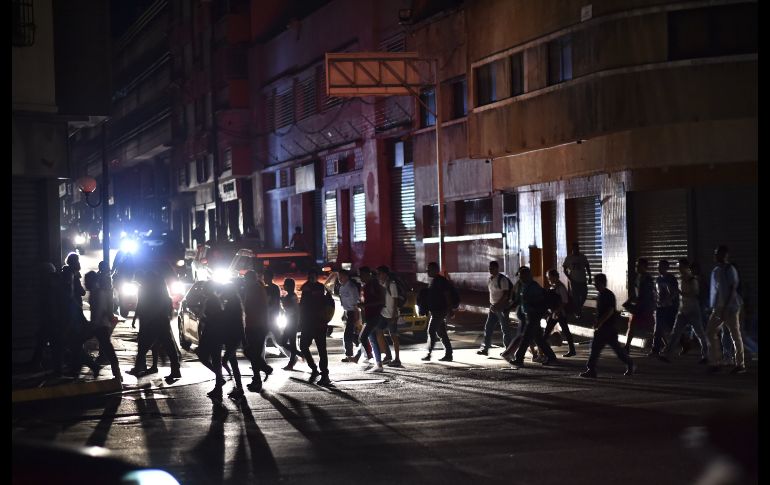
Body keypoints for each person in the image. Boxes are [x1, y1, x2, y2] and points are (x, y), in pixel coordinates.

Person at [126, 272, 181, 381]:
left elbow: (143, 305)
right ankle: (175, 370)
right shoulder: (162, 294)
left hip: (154, 323)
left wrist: (142, 319)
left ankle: (138, 368)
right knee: (169, 347)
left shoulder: (150, 291)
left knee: (144, 346)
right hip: (162, 323)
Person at [579, 274, 635, 378]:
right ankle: (629, 363)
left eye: (596, 282)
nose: (594, 284)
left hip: (607, 328)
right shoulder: (601, 294)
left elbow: (610, 311)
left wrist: (600, 322)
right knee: (603, 349)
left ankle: (591, 369)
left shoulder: (607, 295)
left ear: (601, 282)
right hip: (606, 328)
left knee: (597, 348)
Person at [706, 246, 746, 374]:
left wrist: (726, 308)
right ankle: (716, 362)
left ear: (725, 255)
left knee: (735, 335)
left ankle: (740, 365)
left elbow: (733, 289)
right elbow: (716, 291)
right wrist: (714, 306)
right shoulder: (716, 270)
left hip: (731, 308)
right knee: (710, 332)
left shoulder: (730, 269)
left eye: (718, 253)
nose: (716, 255)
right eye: (715, 253)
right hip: (719, 308)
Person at [660, 259, 709, 364]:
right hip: (683, 311)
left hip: (693, 310)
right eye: (679, 267)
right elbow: (677, 293)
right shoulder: (681, 279)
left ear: (686, 267)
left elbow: (695, 294)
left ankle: (707, 355)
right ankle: (667, 355)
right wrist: (670, 298)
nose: (679, 269)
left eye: (681, 266)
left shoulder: (693, 280)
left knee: (700, 333)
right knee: (675, 333)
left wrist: (680, 293)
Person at [509, 266, 557, 367]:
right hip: (528, 316)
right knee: (538, 339)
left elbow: (539, 301)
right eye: (520, 277)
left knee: (526, 338)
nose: (520, 278)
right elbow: (519, 300)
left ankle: (519, 359)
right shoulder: (523, 286)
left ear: (528, 276)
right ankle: (552, 357)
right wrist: (508, 308)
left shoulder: (534, 287)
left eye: (522, 276)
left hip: (534, 315)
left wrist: (530, 302)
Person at [83, 271, 122, 381]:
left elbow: (100, 310)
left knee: (107, 347)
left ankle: (115, 372)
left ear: (93, 281)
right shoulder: (96, 292)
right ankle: (111, 370)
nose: (85, 284)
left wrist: (93, 324)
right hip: (99, 325)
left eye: (87, 281)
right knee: (107, 347)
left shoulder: (98, 293)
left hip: (100, 325)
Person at [299, 268, 331, 385]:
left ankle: (324, 374)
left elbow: (309, 304)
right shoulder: (306, 288)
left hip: (319, 324)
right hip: (308, 324)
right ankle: (314, 368)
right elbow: (303, 306)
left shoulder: (319, 288)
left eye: (313, 276)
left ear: (316, 277)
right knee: (303, 346)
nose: (311, 278)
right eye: (310, 276)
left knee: (321, 350)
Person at [242, 270, 273, 392]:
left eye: (246, 279)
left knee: (252, 353)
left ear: (250, 279)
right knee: (252, 353)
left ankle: (259, 378)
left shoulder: (254, 290)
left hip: (255, 326)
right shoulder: (259, 289)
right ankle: (262, 371)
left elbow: (249, 307)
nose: (245, 281)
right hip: (257, 325)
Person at [479, 261, 516, 356]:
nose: (490, 269)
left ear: (497, 268)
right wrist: (493, 305)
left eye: (492, 268)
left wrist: (497, 305)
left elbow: (505, 294)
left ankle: (508, 350)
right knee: (488, 327)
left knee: (505, 329)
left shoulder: (502, 279)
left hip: (502, 307)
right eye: (489, 268)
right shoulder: (490, 279)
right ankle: (485, 348)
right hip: (493, 307)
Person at [421, 262, 454, 362]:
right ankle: (449, 354)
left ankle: (429, 353)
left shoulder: (441, 281)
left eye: (429, 270)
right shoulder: (434, 281)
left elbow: (447, 295)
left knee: (431, 331)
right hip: (436, 311)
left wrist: (450, 309)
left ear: (435, 270)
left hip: (439, 311)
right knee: (442, 333)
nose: (427, 272)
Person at [624, 258, 655, 355]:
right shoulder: (638, 277)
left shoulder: (648, 278)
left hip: (645, 307)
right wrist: (629, 301)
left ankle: (666, 345)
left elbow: (649, 293)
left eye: (638, 265)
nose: (636, 267)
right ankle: (627, 346)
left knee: (653, 327)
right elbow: (635, 292)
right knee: (632, 326)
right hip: (639, 306)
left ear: (644, 267)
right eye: (636, 265)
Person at [543, 268, 577, 357]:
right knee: (547, 332)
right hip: (554, 313)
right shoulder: (552, 286)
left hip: (559, 313)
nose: (548, 279)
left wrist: (557, 311)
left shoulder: (560, 287)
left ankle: (544, 351)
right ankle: (543, 350)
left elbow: (565, 301)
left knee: (563, 331)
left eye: (549, 277)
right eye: (548, 277)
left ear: (555, 277)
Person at [220, 283, 245, 398]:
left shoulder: (231, 304)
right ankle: (238, 387)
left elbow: (235, 323)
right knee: (233, 363)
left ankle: (235, 385)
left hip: (233, 337)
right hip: (234, 337)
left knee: (226, 361)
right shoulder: (234, 303)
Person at [357, 267, 385, 371]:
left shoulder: (373, 285)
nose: (360, 277)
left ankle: (370, 357)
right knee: (372, 340)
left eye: (362, 275)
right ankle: (378, 364)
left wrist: (365, 305)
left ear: (368, 274)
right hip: (369, 316)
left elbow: (381, 301)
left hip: (375, 316)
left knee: (362, 337)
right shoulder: (365, 286)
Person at [650, 259, 679, 356]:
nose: (659, 268)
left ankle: (684, 343)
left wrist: (669, 300)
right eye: (658, 266)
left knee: (672, 328)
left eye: (661, 266)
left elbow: (675, 292)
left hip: (670, 307)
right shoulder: (658, 279)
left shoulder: (671, 278)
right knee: (658, 328)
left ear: (667, 267)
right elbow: (656, 292)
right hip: (660, 307)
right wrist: (655, 302)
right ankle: (655, 350)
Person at [377, 265, 402, 367]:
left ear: (385, 274)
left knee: (394, 336)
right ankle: (387, 355)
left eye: (380, 273)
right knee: (378, 332)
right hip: (383, 313)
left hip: (392, 314)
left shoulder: (392, 285)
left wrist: (393, 316)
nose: (378, 275)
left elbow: (395, 300)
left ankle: (397, 359)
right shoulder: (381, 284)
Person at [338, 269, 363, 363]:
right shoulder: (342, 287)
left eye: (341, 277)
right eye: (339, 277)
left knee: (347, 335)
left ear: (346, 276)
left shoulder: (351, 287)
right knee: (351, 335)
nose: (340, 279)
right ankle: (360, 345)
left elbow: (356, 302)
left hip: (353, 312)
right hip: (347, 312)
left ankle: (349, 354)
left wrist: (356, 316)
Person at [562, 243, 591, 319]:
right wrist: (570, 278)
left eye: (577, 248)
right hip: (574, 281)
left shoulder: (583, 257)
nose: (576, 249)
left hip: (583, 280)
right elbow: (564, 269)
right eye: (575, 248)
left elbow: (587, 267)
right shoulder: (569, 258)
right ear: (572, 249)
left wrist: (590, 277)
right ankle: (577, 312)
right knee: (576, 297)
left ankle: (578, 309)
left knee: (584, 295)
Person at [278, 278, 300, 371]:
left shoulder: (292, 296)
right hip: (291, 320)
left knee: (285, 342)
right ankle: (295, 358)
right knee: (289, 342)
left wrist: (283, 301)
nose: (284, 286)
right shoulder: (289, 295)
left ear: (289, 286)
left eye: (285, 284)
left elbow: (293, 309)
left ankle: (297, 356)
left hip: (292, 321)